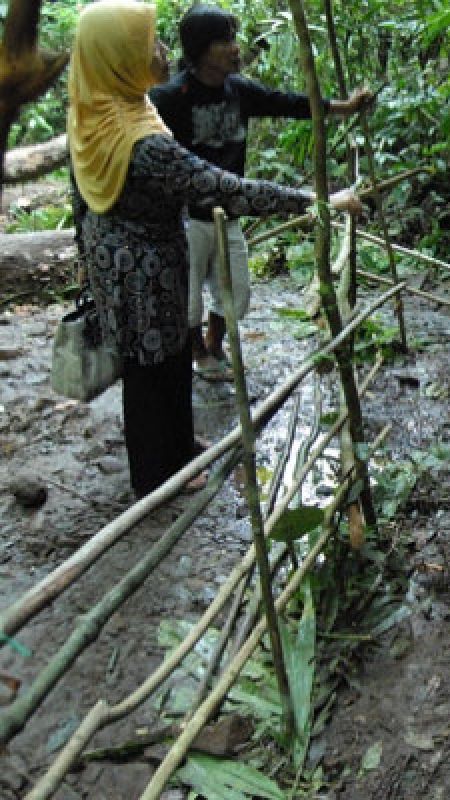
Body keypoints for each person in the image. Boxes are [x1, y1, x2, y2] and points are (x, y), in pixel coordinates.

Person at [68, 0, 362, 498]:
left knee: (170, 355)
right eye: (148, 43)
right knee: (149, 370)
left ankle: (179, 445)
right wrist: (319, 200)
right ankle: (155, 476)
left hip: (128, 257)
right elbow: (222, 187)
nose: (160, 50)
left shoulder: (106, 109)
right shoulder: (141, 139)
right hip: (143, 266)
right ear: (118, 56)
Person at [149, 3, 373, 381]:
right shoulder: (171, 98)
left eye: (234, 39)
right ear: (202, 49)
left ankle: (215, 346)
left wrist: (345, 108)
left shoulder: (239, 91)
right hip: (186, 220)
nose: (236, 48)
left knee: (236, 293)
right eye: (225, 41)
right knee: (186, 301)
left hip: (230, 210)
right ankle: (198, 353)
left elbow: (290, 104)